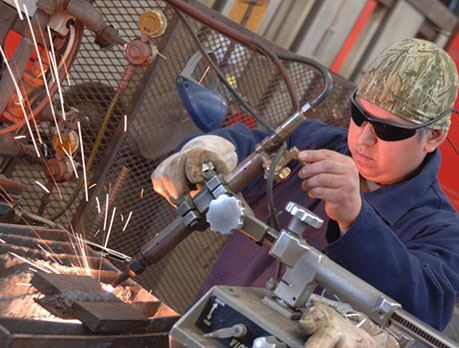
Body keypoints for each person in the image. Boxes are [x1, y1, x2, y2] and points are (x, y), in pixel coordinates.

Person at [151, 38, 459, 332]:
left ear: (433, 136)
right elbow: (252, 148)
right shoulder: (315, 141)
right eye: (360, 114)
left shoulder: (440, 230)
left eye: (389, 130)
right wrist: (209, 150)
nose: (364, 139)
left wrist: (356, 218)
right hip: (204, 328)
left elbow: (426, 308)